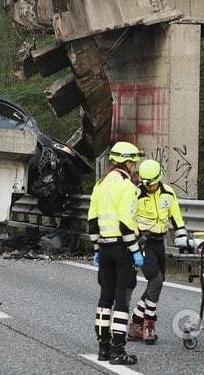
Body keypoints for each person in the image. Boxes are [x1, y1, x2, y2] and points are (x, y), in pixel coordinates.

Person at [87, 141, 144, 365]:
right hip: (122, 250)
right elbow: (126, 225)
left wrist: (96, 248)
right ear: (126, 161)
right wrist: (136, 250)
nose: (134, 166)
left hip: (105, 248)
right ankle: (118, 351)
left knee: (104, 299)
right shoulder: (127, 186)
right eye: (133, 161)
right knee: (121, 301)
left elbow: (92, 221)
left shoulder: (100, 184)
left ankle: (103, 349)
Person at [127, 159, 190, 344]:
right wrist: (132, 246)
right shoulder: (136, 194)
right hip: (142, 243)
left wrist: (182, 237)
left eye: (154, 183)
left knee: (157, 284)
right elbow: (129, 221)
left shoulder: (168, 193)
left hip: (159, 243)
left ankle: (135, 324)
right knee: (156, 280)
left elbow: (177, 218)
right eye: (148, 183)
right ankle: (149, 324)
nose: (151, 186)